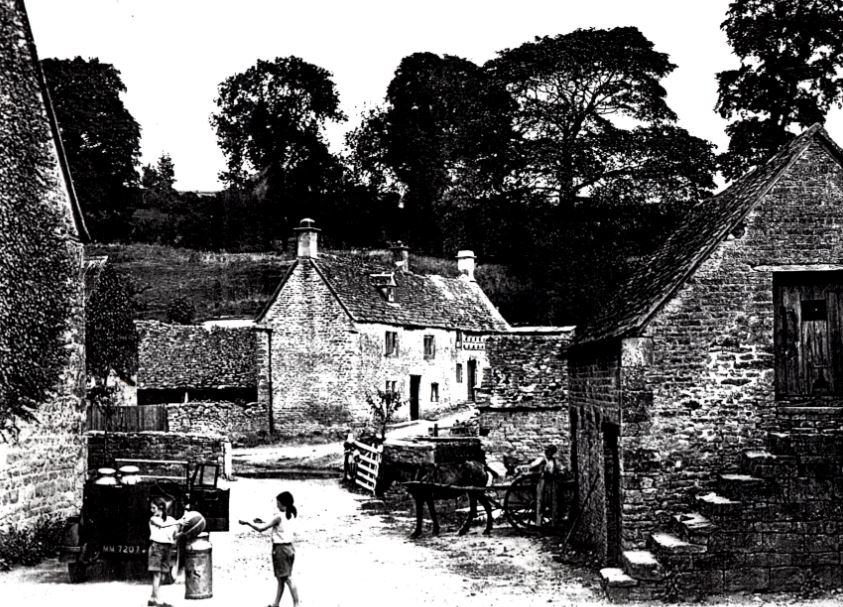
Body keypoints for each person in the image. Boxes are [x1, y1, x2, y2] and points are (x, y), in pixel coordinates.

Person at [239, 491, 300, 607]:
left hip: (280, 549)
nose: (276, 505)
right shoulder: (291, 514)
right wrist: (264, 521)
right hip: (290, 548)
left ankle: (296, 604)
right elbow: (278, 525)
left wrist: (247, 523)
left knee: (287, 578)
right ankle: (276, 603)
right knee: (281, 578)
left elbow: (261, 529)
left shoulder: (278, 517)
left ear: (282, 504)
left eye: (278, 503)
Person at [521, 445, 564, 527]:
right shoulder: (541, 460)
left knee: (554, 503)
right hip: (542, 482)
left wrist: (560, 472)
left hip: (552, 483)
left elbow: (561, 469)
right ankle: (539, 524)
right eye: (547, 451)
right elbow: (532, 466)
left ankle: (554, 524)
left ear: (552, 453)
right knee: (540, 503)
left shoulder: (555, 461)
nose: (548, 453)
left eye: (550, 451)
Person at [148, 497, 178, 607]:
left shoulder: (170, 519)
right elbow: (162, 525)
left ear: (160, 508)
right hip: (156, 548)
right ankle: (159, 601)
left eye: (153, 508)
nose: (151, 510)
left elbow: (175, 534)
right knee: (157, 575)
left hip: (167, 548)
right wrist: (179, 521)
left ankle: (152, 598)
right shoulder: (153, 519)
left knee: (163, 576)